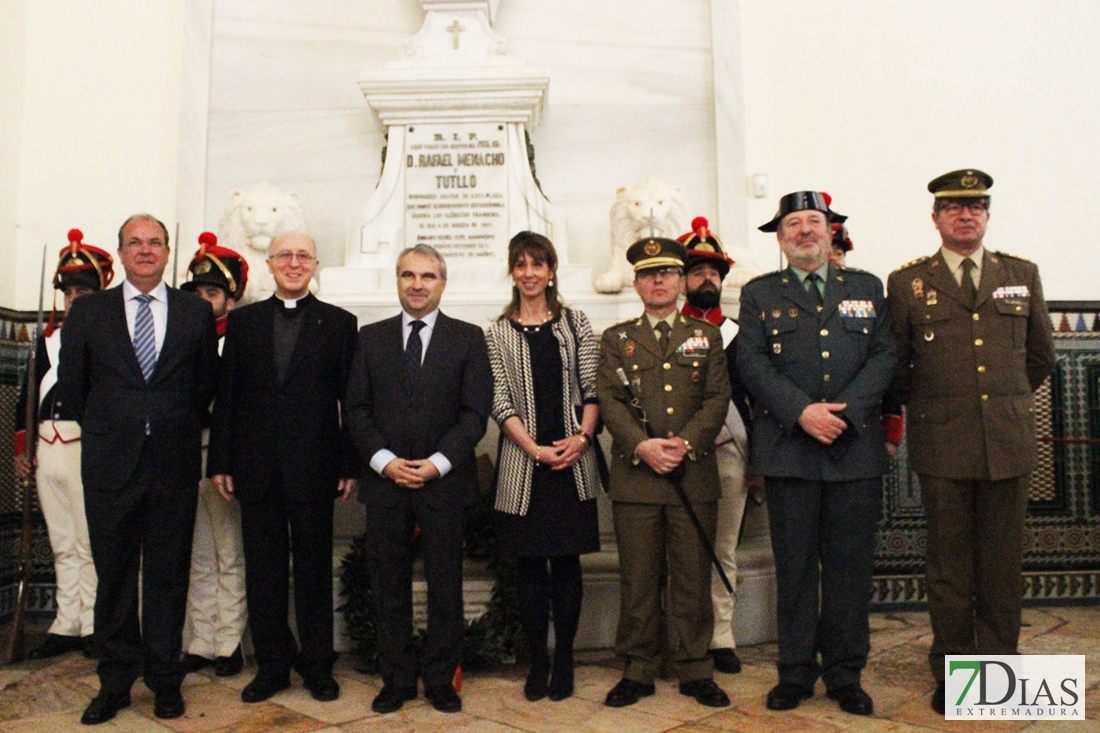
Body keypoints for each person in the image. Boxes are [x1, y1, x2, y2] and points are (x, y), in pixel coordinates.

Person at [886, 169, 1056, 715]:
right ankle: (955, 670)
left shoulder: (1021, 273)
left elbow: (1041, 356)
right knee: (950, 564)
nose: (966, 215)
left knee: (1003, 562)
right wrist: (943, 408)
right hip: (943, 443)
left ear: (987, 215)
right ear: (936, 218)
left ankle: (999, 670)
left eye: (976, 207)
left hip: (1007, 442)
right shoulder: (907, 282)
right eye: (955, 208)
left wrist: (1000, 403)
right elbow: (899, 365)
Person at [738, 191, 895, 716]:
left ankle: (846, 674)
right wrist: (802, 412)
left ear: (831, 233)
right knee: (796, 569)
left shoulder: (867, 287)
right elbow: (752, 364)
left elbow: (884, 356)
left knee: (850, 570)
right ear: (781, 239)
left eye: (815, 222)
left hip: (854, 450)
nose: (806, 230)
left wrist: (844, 414)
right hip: (789, 452)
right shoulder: (760, 294)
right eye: (794, 224)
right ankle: (796, 672)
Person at [57, 214, 218, 725]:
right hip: (110, 464)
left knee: (169, 576)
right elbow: (73, 387)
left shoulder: (194, 311)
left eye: (155, 243)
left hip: (172, 463)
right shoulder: (90, 313)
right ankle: (116, 680)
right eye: (135, 243)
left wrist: (167, 423)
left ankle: (165, 679)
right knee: (115, 576)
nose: (145, 251)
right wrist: (120, 426)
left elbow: (204, 386)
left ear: (168, 252)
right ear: (121, 253)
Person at [208, 231, 359, 704]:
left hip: (315, 467)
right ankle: (272, 666)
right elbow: (227, 397)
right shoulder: (244, 322)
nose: (294, 263)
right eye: (285, 256)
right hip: (255, 467)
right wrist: (221, 461)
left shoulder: (339, 323)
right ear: (270, 264)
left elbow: (350, 402)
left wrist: (349, 462)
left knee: (313, 571)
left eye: (303, 256)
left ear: (314, 265)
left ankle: (317, 666)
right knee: (264, 572)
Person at [345, 244, 492, 715]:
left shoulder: (468, 338)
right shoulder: (370, 338)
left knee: (445, 586)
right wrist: (386, 461)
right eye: (409, 275)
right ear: (398, 281)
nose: (417, 284)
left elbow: (475, 415)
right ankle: (397, 679)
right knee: (389, 585)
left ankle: (441, 680)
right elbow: (357, 411)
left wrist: (437, 463)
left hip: (444, 483)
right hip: (386, 482)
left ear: (442, 284)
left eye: (428, 276)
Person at [597, 237, 732, 709]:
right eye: (648, 274)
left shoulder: (707, 336)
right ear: (635, 284)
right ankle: (638, 668)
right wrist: (643, 446)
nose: (658, 281)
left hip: (692, 474)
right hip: (637, 477)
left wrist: (685, 443)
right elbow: (609, 402)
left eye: (668, 273)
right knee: (639, 579)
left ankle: (696, 668)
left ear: (680, 281)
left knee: (693, 577)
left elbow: (718, 398)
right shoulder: (616, 338)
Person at [486, 232, 603, 703]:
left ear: (552, 270)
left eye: (539, 264)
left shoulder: (575, 323)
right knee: (530, 569)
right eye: (521, 265)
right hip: (524, 466)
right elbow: (499, 399)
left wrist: (581, 439)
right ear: (512, 272)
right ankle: (538, 660)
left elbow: (592, 388)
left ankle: (566, 660)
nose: (530, 273)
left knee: (567, 566)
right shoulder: (496, 332)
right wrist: (534, 448)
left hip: (573, 463)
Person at [14, 228, 113, 661]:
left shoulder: (108, 336)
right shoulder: (48, 338)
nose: (75, 298)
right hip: (47, 447)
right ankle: (66, 621)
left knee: (89, 540)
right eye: (69, 290)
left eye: (83, 290)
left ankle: (95, 622)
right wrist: (23, 448)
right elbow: (26, 398)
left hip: (83, 445)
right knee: (61, 540)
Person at [675, 217, 757, 675]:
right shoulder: (665, 332)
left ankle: (721, 634)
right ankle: (684, 633)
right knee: (681, 548)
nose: (707, 278)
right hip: (678, 456)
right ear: (683, 278)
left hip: (730, 451)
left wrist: (757, 459)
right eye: (697, 270)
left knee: (723, 547)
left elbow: (755, 401)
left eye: (714, 271)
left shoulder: (741, 332)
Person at [179, 232, 248, 678]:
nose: (204, 302)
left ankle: (231, 643)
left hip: (227, 459)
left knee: (230, 553)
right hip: (186, 455)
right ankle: (201, 641)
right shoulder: (182, 337)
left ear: (230, 299)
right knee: (198, 554)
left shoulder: (239, 340)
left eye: (213, 293)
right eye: (198, 293)